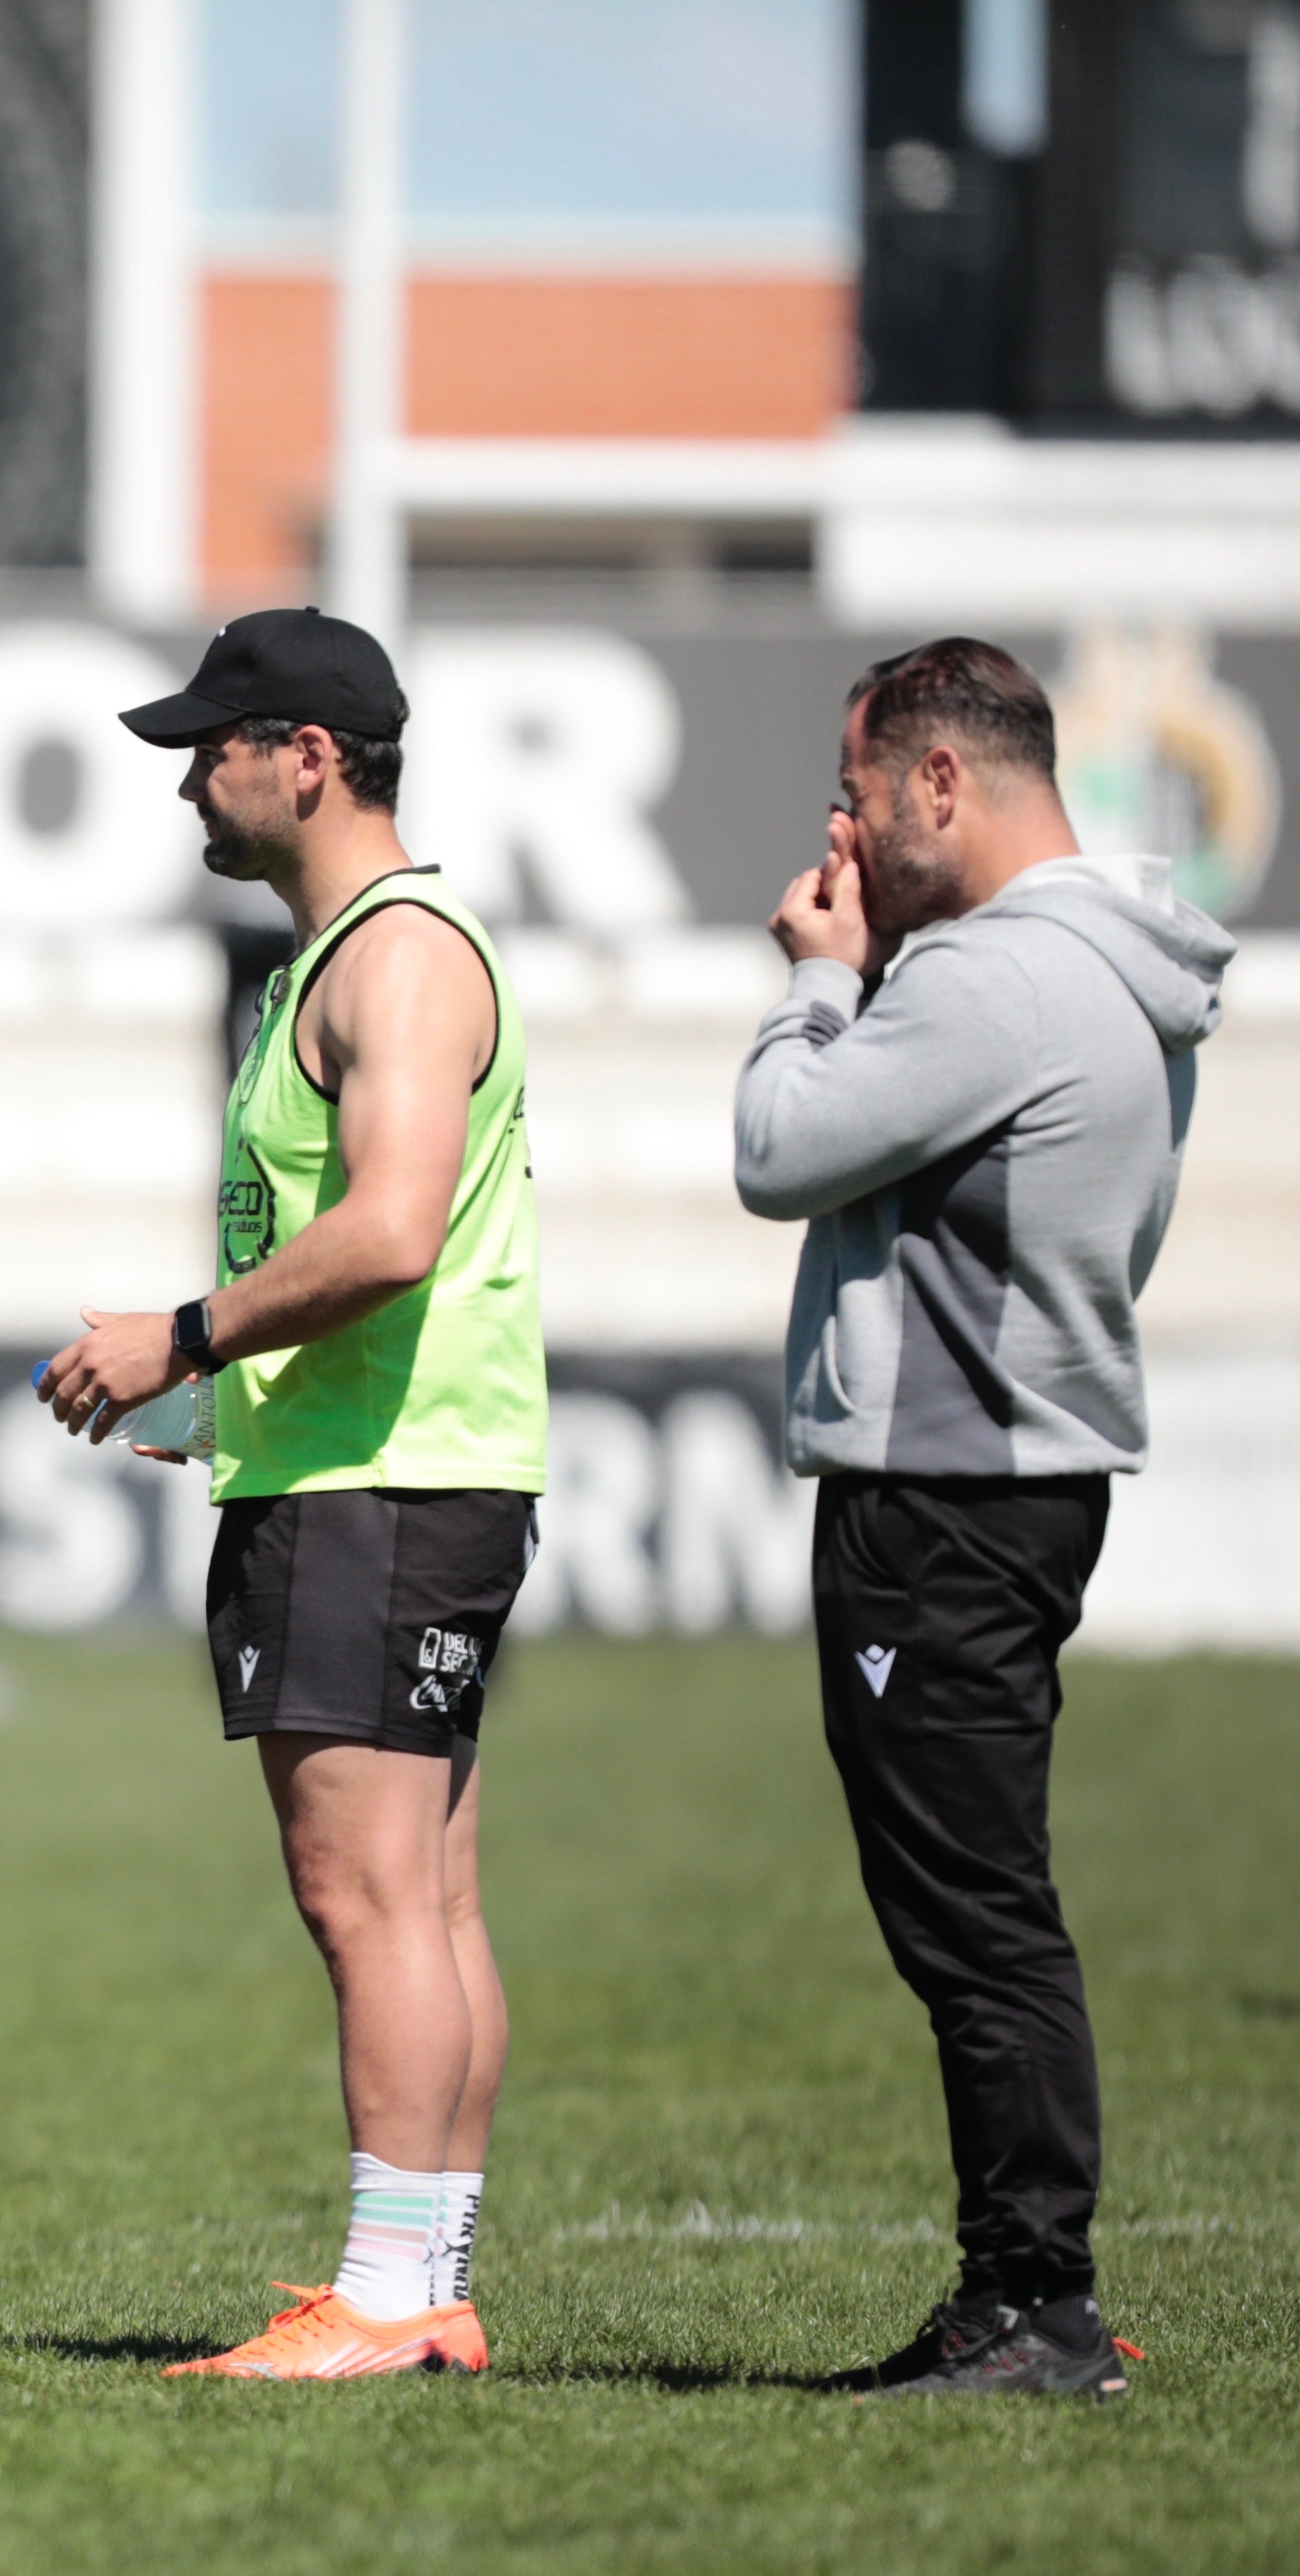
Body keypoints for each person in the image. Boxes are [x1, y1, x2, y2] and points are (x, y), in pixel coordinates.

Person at [35, 607, 541, 2381]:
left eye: (213, 744)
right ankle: (430, 2279)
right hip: (391, 1474)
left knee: (370, 1900)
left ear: (304, 757)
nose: (192, 778)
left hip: (377, 1494)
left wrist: (175, 1337)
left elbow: (390, 1232)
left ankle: (389, 2298)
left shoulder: (390, 957)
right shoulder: (347, 951)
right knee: (428, 1900)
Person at [735, 638, 1222, 2400]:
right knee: (978, 1898)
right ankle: (1023, 2296)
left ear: (943, 781)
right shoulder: (1114, 960)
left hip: (945, 1494)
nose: (841, 828)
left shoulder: (991, 980)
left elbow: (779, 1148)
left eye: (861, 788)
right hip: (1014, 1481)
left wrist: (814, 978)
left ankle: (1033, 2303)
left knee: (971, 1912)